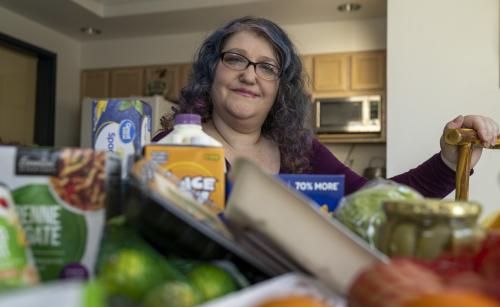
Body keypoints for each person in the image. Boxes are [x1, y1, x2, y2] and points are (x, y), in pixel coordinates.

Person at [154, 16, 499, 197]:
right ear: (211, 71)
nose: (249, 75)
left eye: (267, 67)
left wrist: (448, 163)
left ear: (279, 88)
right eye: (235, 59)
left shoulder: (300, 152)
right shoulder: (173, 146)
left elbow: (374, 202)